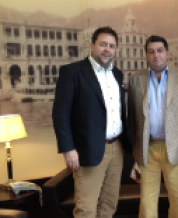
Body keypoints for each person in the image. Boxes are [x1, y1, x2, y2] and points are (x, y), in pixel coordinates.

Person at [52, 26, 132, 218]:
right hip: (87, 150)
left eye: (112, 46)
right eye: (103, 44)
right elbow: (60, 113)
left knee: (109, 206)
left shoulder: (117, 75)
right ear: (92, 45)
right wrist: (68, 149)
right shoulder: (72, 72)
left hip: (117, 149)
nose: (107, 49)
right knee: (86, 209)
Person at [127, 36, 178, 218]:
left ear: (167, 54)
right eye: (151, 51)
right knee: (147, 200)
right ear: (146, 55)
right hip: (147, 148)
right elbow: (132, 117)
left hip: (176, 147)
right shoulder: (136, 80)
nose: (155, 55)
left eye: (159, 50)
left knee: (177, 197)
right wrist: (135, 146)